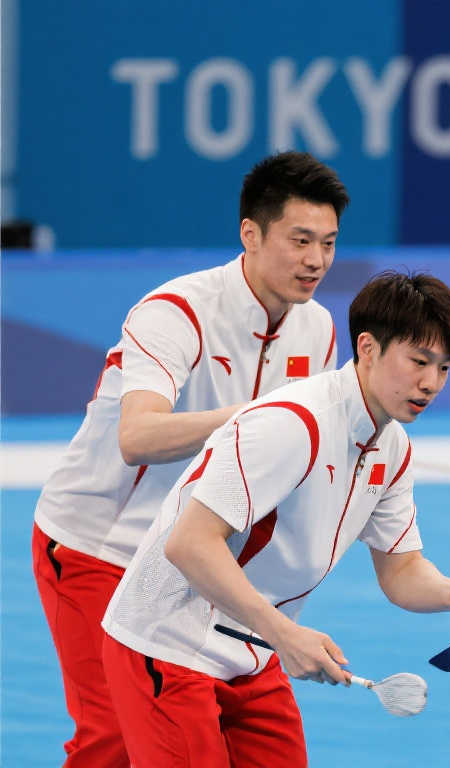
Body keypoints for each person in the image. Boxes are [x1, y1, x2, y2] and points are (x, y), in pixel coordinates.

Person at [31, 150, 348, 766]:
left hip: (199, 557)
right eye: (300, 240)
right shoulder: (176, 313)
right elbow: (138, 437)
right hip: (99, 546)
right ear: (250, 234)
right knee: (114, 737)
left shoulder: (319, 330)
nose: (316, 260)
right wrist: (259, 417)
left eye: (329, 243)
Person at [100, 272, 450, 766]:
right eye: (419, 361)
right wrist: (284, 635)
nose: (432, 383)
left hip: (252, 651)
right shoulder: (292, 424)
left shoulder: (393, 448)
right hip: (168, 646)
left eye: (445, 367)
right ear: (367, 348)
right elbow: (189, 544)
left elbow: (402, 571)